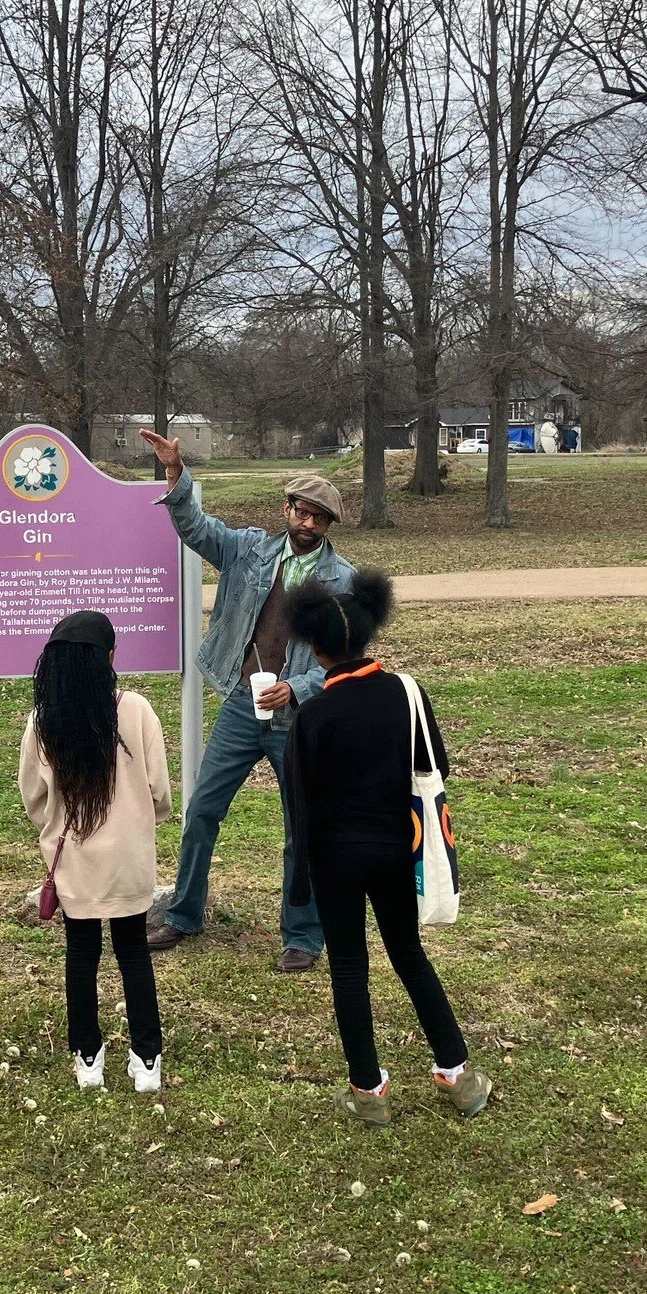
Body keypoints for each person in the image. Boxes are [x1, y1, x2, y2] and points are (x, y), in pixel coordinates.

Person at [138, 428, 355, 973]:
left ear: (328, 526)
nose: (307, 524)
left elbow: (346, 662)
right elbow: (194, 527)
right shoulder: (249, 550)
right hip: (241, 705)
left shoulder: (342, 580)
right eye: (301, 512)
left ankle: (303, 935)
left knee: (299, 828)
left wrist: (301, 687)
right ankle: (185, 914)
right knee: (203, 810)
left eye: (318, 519)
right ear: (286, 509)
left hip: (298, 720)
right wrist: (176, 474)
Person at [282, 568, 492, 1127]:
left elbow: (298, 805)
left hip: (335, 857)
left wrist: (301, 879)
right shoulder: (408, 692)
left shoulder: (312, 716)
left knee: (349, 967)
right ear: (369, 634)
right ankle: (459, 1075)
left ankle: (368, 1091)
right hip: (402, 848)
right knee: (409, 956)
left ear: (315, 650)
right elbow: (436, 766)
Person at [18, 611, 170, 1093]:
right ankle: (147, 1059)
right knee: (133, 954)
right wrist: (140, 822)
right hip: (129, 858)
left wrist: (56, 828)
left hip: (76, 861)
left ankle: (88, 1057)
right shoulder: (137, 710)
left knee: (81, 957)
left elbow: (33, 797)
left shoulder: (44, 721)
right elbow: (159, 792)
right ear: (109, 658)